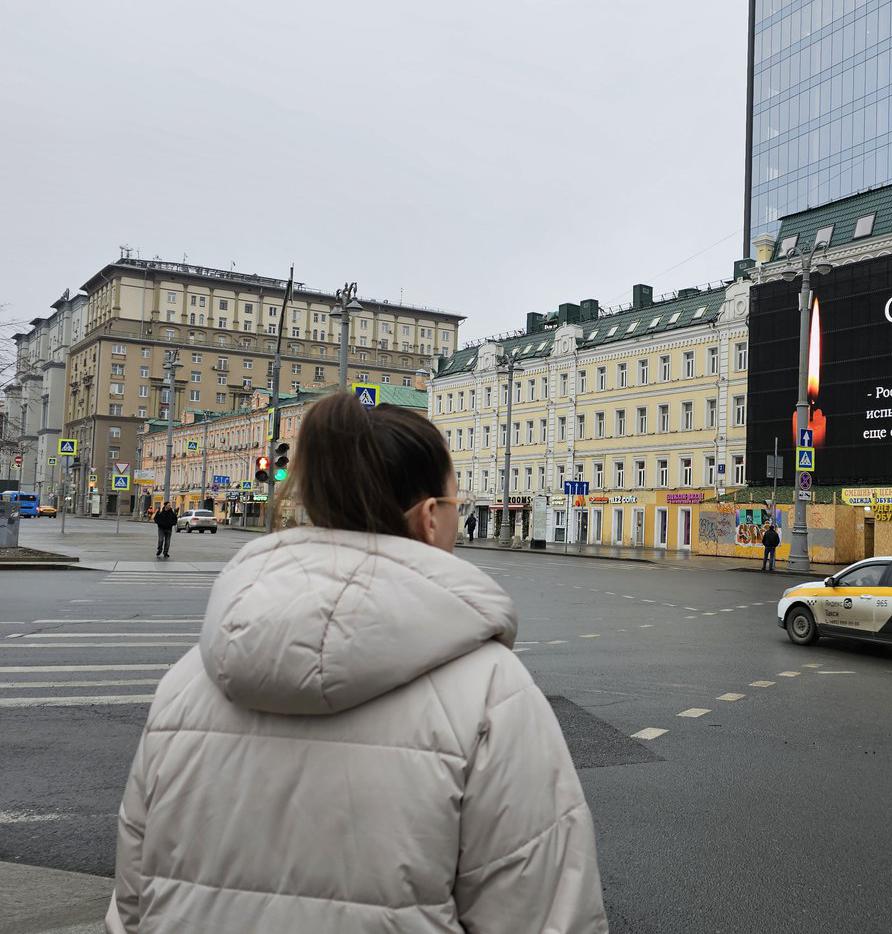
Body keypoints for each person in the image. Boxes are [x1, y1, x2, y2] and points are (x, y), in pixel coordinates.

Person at [106, 393, 607, 934]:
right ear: (430, 517)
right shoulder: (491, 693)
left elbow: (133, 903)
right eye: (455, 506)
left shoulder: (188, 682)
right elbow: (543, 915)